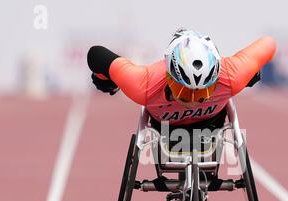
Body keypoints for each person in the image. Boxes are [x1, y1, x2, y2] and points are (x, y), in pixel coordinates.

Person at [87, 28, 276, 132]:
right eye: (184, 92)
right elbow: (95, 54)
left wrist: (253, 69)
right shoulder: (143, 85)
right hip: (166, 130)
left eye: (203, 92)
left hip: (211, 126)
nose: (193, 100)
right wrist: (104, 77)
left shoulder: (231, 75)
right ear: (169, 78)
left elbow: (269, 43)